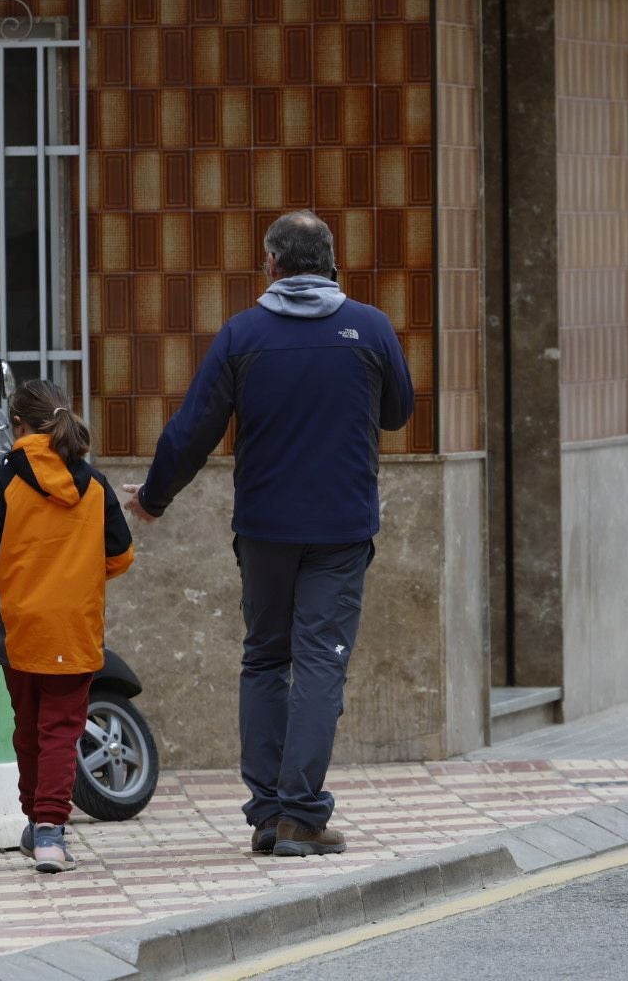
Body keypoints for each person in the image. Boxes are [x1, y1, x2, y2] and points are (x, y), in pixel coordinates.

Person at [123, 210, 413, 857]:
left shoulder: (242, 335)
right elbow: (398, 412)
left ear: (272, 265)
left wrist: (155, 497)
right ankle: (302, 816)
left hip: (264, 530)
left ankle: (266, 814)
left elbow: (193, 428)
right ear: (332, 262)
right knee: (320, 663)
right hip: (341, 530)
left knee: (264, 659)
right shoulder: (369, 329)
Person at [0, 379, 135, 873]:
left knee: (30, 729)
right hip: (75, 628)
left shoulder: (3, 483)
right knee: (62, 729)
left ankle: (36, 824)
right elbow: (120, 557)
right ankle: (50, 833)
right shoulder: (95, 485)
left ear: (16, 425)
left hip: (17, 627)